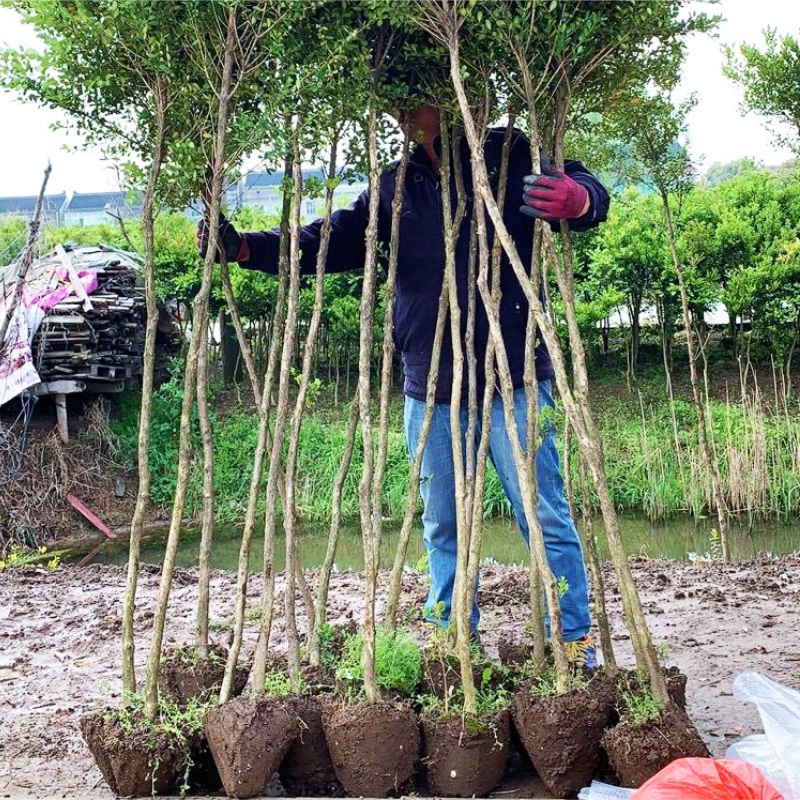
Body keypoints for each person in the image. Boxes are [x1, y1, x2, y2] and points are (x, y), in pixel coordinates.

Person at [199, 105, 610, 666]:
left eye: (410, 101)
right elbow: (333, 240)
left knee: (545, 519)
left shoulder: (510, 154)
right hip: (432, 388)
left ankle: (573, 645)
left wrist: (581, 200)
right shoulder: (396, 183)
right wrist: (245, 248)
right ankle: (454, 645)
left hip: (513, 381)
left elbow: (586, 187)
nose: (401, 115)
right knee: (443, 527)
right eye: (393, 107)